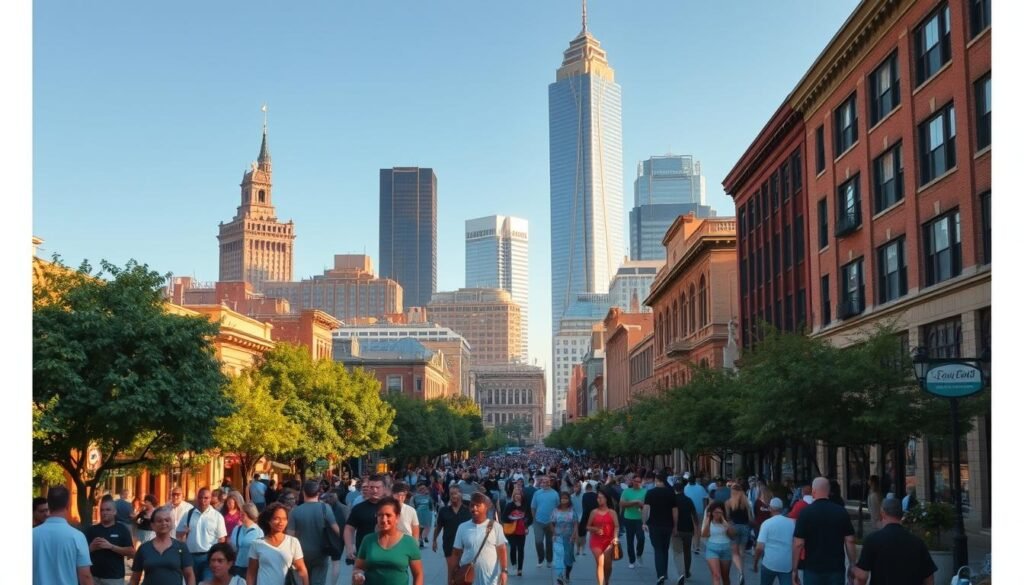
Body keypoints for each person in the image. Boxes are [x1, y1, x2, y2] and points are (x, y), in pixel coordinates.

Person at [852, 497, 936, 585]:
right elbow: (929, 576)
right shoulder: (917, 542)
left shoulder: (872, 540)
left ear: (883, 513)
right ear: (901, 514)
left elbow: (861, 576)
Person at [791, 477, 855, 585]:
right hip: (836, 569)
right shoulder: (841, 512)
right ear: (828, 491)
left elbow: (798, 544)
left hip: (812, 569)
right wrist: (852, 565)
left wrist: (794, 569)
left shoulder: (805, 513)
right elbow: (850, 540)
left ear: (813, 491)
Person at [353, 495, 424, 585]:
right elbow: (358, 567)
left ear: (397, 517)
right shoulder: (368, 540)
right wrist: (358, 574)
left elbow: (418, 574)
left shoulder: (409, 542)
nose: (384, 519)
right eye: (380, 515)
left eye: (388, 515)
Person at [33, 486, 94, 585]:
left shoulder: (33, 534)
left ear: (49, 505)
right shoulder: (77, 537)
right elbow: (85, 576)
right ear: (68, 505)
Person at [287, 480, 340, 585]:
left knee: (303, 581)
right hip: (321, 552)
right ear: (318, 493)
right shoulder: (325, 508)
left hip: (300, 554)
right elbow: (337, 530)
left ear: (303, 493)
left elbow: (290, 536)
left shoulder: (295, 511)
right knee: (318, 581)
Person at [129, 505, 196, 585]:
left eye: (167, 520)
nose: (164, 523)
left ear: (171, 524)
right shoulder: (144, 549)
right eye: (159, 521)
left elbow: (189, 575)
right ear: (152, 525)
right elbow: (134, 579)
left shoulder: (181, 547)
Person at [452, 492, 509, 585]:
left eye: (478, 505)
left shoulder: (496, 527)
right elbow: (456, 553)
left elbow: (502, 550)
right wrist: (453, 574)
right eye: (472, 505)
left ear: (486, 507)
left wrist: (504, 571)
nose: (474, 508)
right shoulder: (462, 527)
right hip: (467, 579)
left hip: (490, 579)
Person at [247, 502, 310, 585]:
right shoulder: (257, 544)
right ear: (268, 520)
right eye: (276, 518)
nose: (281, 522)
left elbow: (302, 569)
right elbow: (251, 573)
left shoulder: (293, 542)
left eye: (284, 519)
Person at [177, 487, 228, 582]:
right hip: (190, 557)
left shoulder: (217, 516)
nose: (203, 500)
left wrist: (217, 557)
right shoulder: (188, 515)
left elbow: (221, 539)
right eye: (200, 497)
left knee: (207, 582)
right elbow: (178, 534)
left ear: (210, 498)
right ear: (197, 498)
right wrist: (183, 533)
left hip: (208, 557)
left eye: (206, 498)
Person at [86, 498, 137, 585]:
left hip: (114, 578)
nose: (104, 512)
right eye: (102, 510)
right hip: (94, 577)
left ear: (115, 512)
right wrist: (91, 548)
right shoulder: (92, 530)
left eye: (108, 510)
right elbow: (81, 553)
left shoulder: (122, 529)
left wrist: (111, 547)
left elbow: (132, 552)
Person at [345, 474, 387, 566]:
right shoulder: (359, 508)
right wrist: (349, 547)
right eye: (371, 487)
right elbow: (349, 528)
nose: (374, 490)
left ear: (384, 488)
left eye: (378, 487)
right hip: (364, 554)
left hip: (387, 554)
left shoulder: (391, 507)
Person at [434, 484, 473, 584]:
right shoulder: (444, 511)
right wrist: (434, 540)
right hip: (449, 545)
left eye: (456, 493)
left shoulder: (468, 511)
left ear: (461, 495)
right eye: (451, 494)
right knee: (451, 572)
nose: (453, 496)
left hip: (466, 546)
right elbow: (438, 527)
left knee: (465, 572)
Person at [643, 472, 677, 585]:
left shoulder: (651, 493)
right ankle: (664, 573)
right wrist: (675, 525)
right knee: (665, 549)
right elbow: (675, 511)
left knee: (658, 550)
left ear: (657, 480)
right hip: (668, 525)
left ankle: (660, 575)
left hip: (654, 524)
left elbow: (646, 508)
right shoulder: (671, 493)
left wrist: (643, 522)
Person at [753, 498, 795, 585]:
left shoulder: (766, 523)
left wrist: (755, 563)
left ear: (770, 508)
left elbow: (759, 547)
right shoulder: (792, 523)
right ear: (782, 509)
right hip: (786, 564)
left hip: (769, 563)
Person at [585, 489, 620, 585]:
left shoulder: (612, 512)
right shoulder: (594, 512)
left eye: (601, 497)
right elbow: (587, 526)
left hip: (609, 540)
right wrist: (595, 529)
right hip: (596, 541)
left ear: (606, 499)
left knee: (608, 564)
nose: (599, 499)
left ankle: (606, 581)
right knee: (600, 562)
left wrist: (616, 537)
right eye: (598, 497)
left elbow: (616, 526)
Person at [672, 479, 700, 584]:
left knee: (678, 551)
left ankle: (681, 572)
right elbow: (694, 514)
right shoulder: (689, 500)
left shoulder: (673, 500)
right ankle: (687, 571)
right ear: (683, 489)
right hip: (688, 529)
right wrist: (697, 526)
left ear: (674, 490)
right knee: (687, 551)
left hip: (677, 529)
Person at [725, 483, 754, 585]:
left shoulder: (729, 502)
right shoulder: (747, 502)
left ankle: (740, 571)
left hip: (734, 527)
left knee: (734, 552)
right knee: (742, 552)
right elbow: (751, 518)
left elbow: (727, 517)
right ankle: (741, 573)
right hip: (745, 527)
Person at [701, 501, 735, 585]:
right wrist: (708, 519)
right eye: (715, 512)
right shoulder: (708, 520)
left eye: (720, 512)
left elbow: (733, 536)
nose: (717, 514)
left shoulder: (726, 521)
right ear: (712, 512)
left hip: (726, 549)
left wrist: (725, 523)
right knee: (716, 575)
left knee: (725, 577)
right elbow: (704, 535)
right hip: (712, 549)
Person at [530, 475, 559, 568]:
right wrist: (534, 519)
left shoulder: (555, 494)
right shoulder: (537, 493)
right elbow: (533, 507)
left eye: (547, 481)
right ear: (541, 482)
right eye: (544, 481)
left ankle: (549, 560)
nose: (545, 483)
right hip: (538, 521)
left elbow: (558, 508)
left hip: (551, 522)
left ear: (550, 482)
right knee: (538, 541)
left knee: (549, 542)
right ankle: (541, 558)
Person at [619, 473, 647, 569]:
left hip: (640, 519)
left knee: (641, 538)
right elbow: (622, 503)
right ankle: (632, 560)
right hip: (629, 518)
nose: (637, 483)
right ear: (632, 481)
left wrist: (641, 505)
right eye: (636, 481)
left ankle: (639, 554)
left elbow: (646, 505)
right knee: (629, 540)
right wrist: (635, 502)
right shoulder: (626, 491)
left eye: (639, 481)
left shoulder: (645, 492)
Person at [500, 488, 530, 577]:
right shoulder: (509, 505)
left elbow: (529, 517)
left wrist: (526, 526)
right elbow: (503, 518)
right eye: (516, 494)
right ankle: (513, 564)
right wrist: (512, 518)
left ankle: (520, 569)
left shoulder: (525, 505)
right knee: (513, 547)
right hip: (511, 530)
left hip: (521, 530)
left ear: (521, 495)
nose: (517, 496)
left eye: (519, 494)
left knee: (521, 549)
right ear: (513, 495)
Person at [228, 503, 263, 578]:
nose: (240, 516)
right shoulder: (237, 529)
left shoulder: (258, 532)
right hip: (237, 566)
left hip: (252, 567)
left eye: (243, 514)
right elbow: (232, 546)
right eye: (240, 513)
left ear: (250, 515)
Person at [551, 491, 578, 585]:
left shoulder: (572, 510)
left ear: (569, 500)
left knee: (568, 558)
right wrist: (554, 534)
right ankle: (560, 576)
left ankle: (567, 575)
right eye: (562, 498)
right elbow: (552, 523)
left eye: (566, 498)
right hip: (558, 537)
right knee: (559, 557)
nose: (564, 500)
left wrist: (574, 535)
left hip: (569, 537)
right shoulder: (555, 510)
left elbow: (575, 524)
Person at [683, 473, 709, 554]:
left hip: (689, 511)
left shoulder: (685, 488)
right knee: (698, 528)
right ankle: (697, 545)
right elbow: (705, 499)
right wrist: (705, 509)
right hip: (699, 510)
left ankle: (693, 545)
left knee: (692, 528)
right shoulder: (701, 488)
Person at [411, 483, 435, 548]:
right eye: (421, 489)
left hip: (427, 513)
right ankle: (420, 538)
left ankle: (423, 537)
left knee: (427, 526)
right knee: (421, 527)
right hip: (419, 513)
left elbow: (431, 505)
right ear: (418, 490)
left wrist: (433, 512)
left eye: (424, 488)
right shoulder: (415, 497)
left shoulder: (428, 496)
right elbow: (413, 505)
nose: (423, 490)